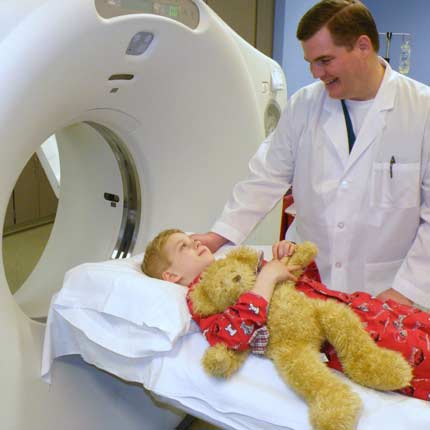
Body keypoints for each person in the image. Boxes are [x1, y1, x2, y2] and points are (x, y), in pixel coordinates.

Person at [192, 0, 430, 310]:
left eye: (325, 60)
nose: (316, 73)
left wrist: (407, 289)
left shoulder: (421, 110)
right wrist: (219, 234)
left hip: (388, 290)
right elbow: (266, 176)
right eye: (310, 62)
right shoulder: (304, 104)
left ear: (362, 46)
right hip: (308, 279)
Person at [142, 229, 430, 400]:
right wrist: (266, 279)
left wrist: (287, 259)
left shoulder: (240, 263)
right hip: (341, 337)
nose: (197, 244)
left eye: (192, 241)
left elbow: (305, 288)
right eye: (185, 247)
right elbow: (232, 336)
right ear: (171, 275)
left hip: (356, 306)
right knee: (416, 356)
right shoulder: (204, 300)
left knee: (421, 323)